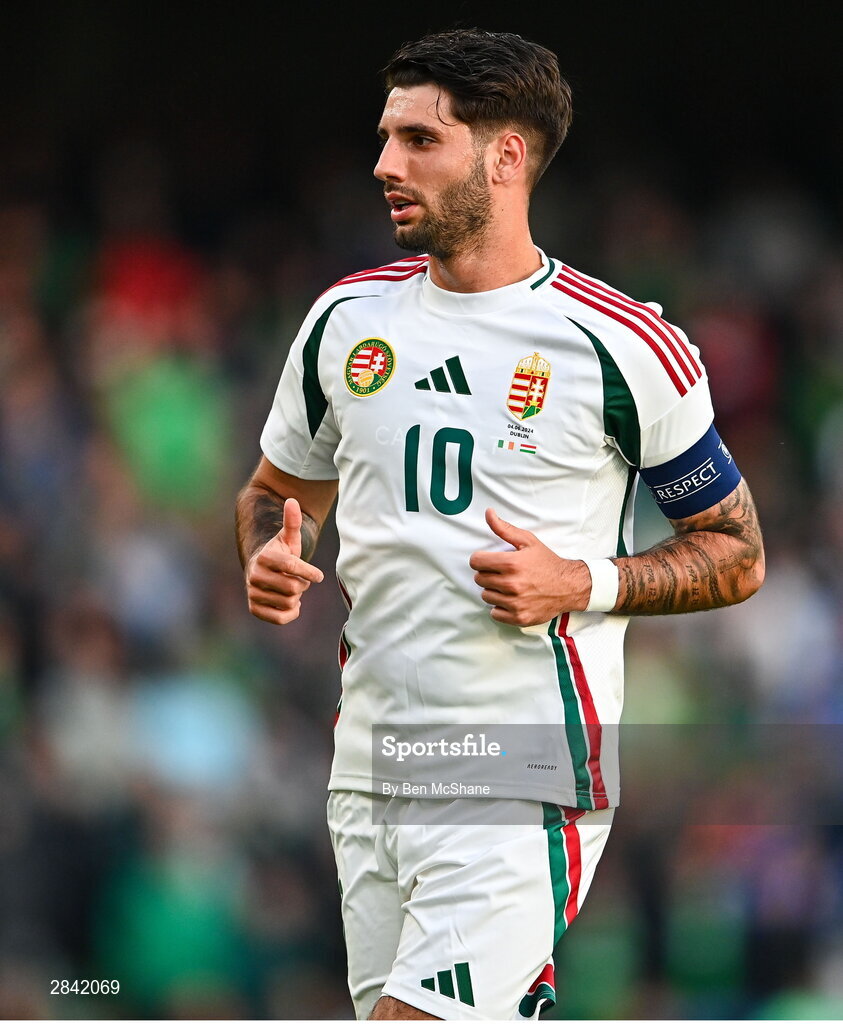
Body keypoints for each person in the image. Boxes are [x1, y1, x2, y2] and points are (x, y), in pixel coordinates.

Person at [235, 28, 765, 1021]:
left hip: (520, 762)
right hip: (373, 757)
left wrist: (586, 581)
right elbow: (278, 489)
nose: (386, 163)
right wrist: (272, 546)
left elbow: (737, 553)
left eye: (419, 139)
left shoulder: (619, 343)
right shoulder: (345, 321)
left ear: (506, 156)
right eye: (386, 136)